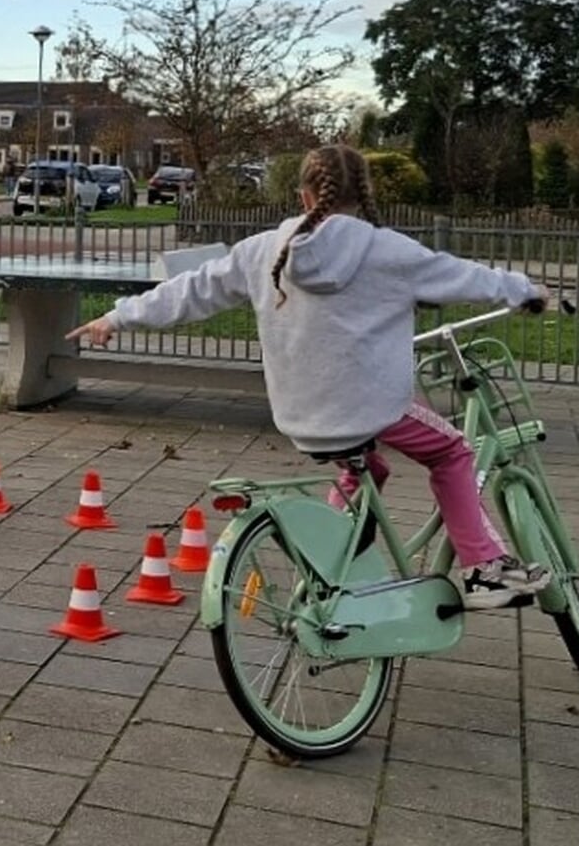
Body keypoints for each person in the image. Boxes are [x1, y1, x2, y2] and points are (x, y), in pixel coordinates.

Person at [67, 144, 552, 608]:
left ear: (303, 196)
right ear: (365, 196)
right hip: (370, 410)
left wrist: (118, 317)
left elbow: (192, 290)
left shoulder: (262, 251)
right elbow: (465, 276)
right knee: (453, 452)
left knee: (367, 467)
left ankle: (328, 560)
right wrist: (525, 290)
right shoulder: (389, 251)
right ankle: (483, 569)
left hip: (299, 414)